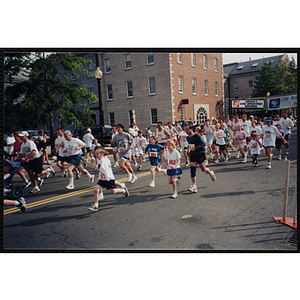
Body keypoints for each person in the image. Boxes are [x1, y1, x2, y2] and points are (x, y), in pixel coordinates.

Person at [88, 147, 129, 212]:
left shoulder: (104, 160)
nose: (96, 155)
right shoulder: (100, 159)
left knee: (114, 191)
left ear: (102, 154)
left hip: (108, 178)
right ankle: (96, 205)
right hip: (102, 178)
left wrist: (96, 168)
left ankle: (123, 190)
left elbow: (104, 170)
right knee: (96, 190)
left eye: (97, 154)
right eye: (95, 153)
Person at [184, 124, 216, 193]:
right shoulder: (188, 137)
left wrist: (195, 148)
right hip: (193, 154)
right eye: (185, 129)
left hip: (200, 154)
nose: (185, 131)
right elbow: (190, 144)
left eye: (187, 129)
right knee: (192, 170)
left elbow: (203, 144)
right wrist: (187, 149)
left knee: (203, 169)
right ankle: (194, 186)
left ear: (191, 129)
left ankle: (211, 172)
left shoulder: (197, 135)